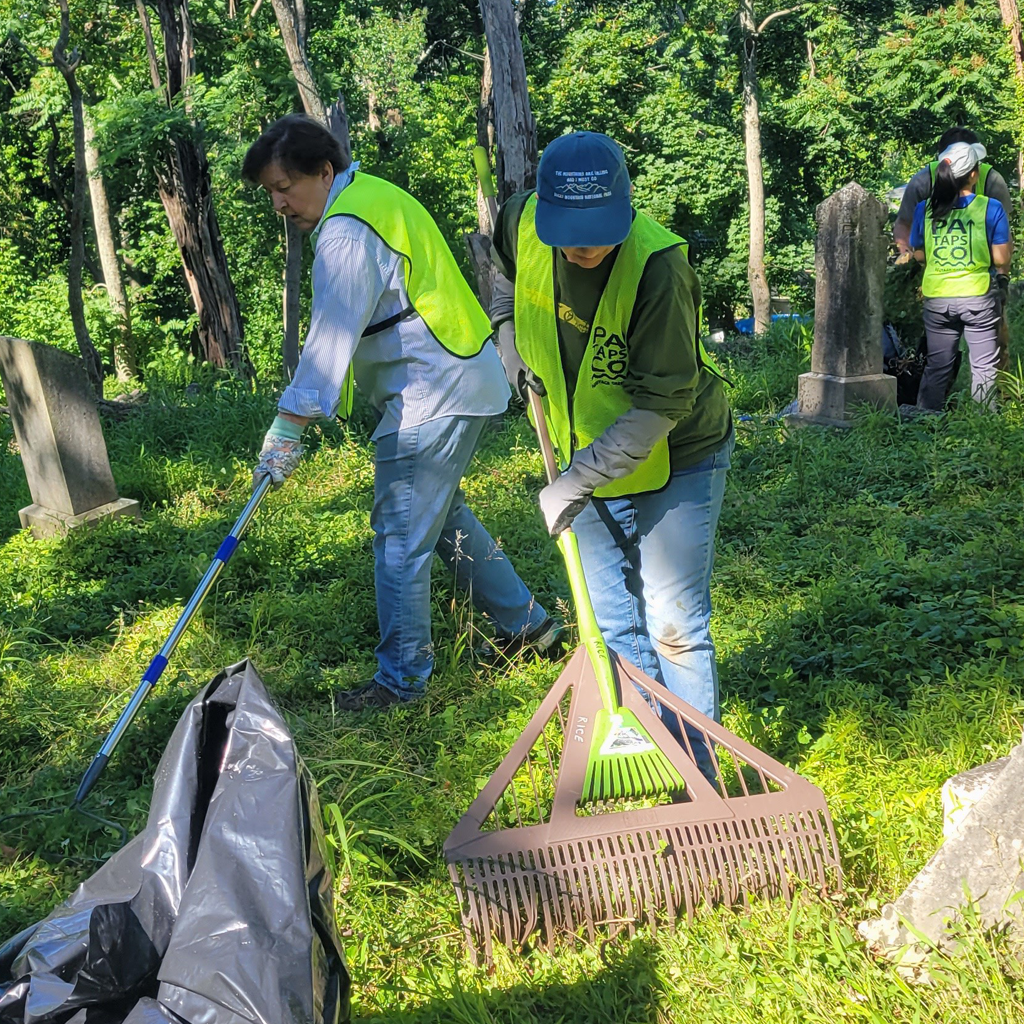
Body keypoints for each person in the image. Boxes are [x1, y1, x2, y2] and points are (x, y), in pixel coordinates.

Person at [242, 114, 560, 711]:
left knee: (397, 538)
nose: (279, 203)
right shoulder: (373, 197)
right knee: (440, 521)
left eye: (285, 186)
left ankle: (401, 681)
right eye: (270, 193)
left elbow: (329, 339)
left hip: (432, 392)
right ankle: (532, 628)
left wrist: (290, 426)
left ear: (323, 170)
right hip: (457, 378)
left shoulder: (345, 231)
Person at [489, 131, 733, 779]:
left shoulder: (660, 270)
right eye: (570, 229)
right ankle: (656, 756)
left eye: (600, 227)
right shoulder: (520, 221)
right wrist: (507, 337)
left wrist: (574, 482)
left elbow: (660, 406)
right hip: (580, 448)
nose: (584, 243)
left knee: (674, 621)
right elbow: (500, 277)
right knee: (613, 622)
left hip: (679, 451)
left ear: (626, 206)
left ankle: (700, 776)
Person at [894, 126, 1014, 373]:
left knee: (986, 348)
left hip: (971, 283)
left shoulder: (992, 181)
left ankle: (932, 408)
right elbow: (903, 227)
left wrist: (1001, 279)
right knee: (980, 362)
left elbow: (1004, 238)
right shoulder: (922, 182)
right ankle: (981, 406)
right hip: (958, 285)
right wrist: (907, 262)